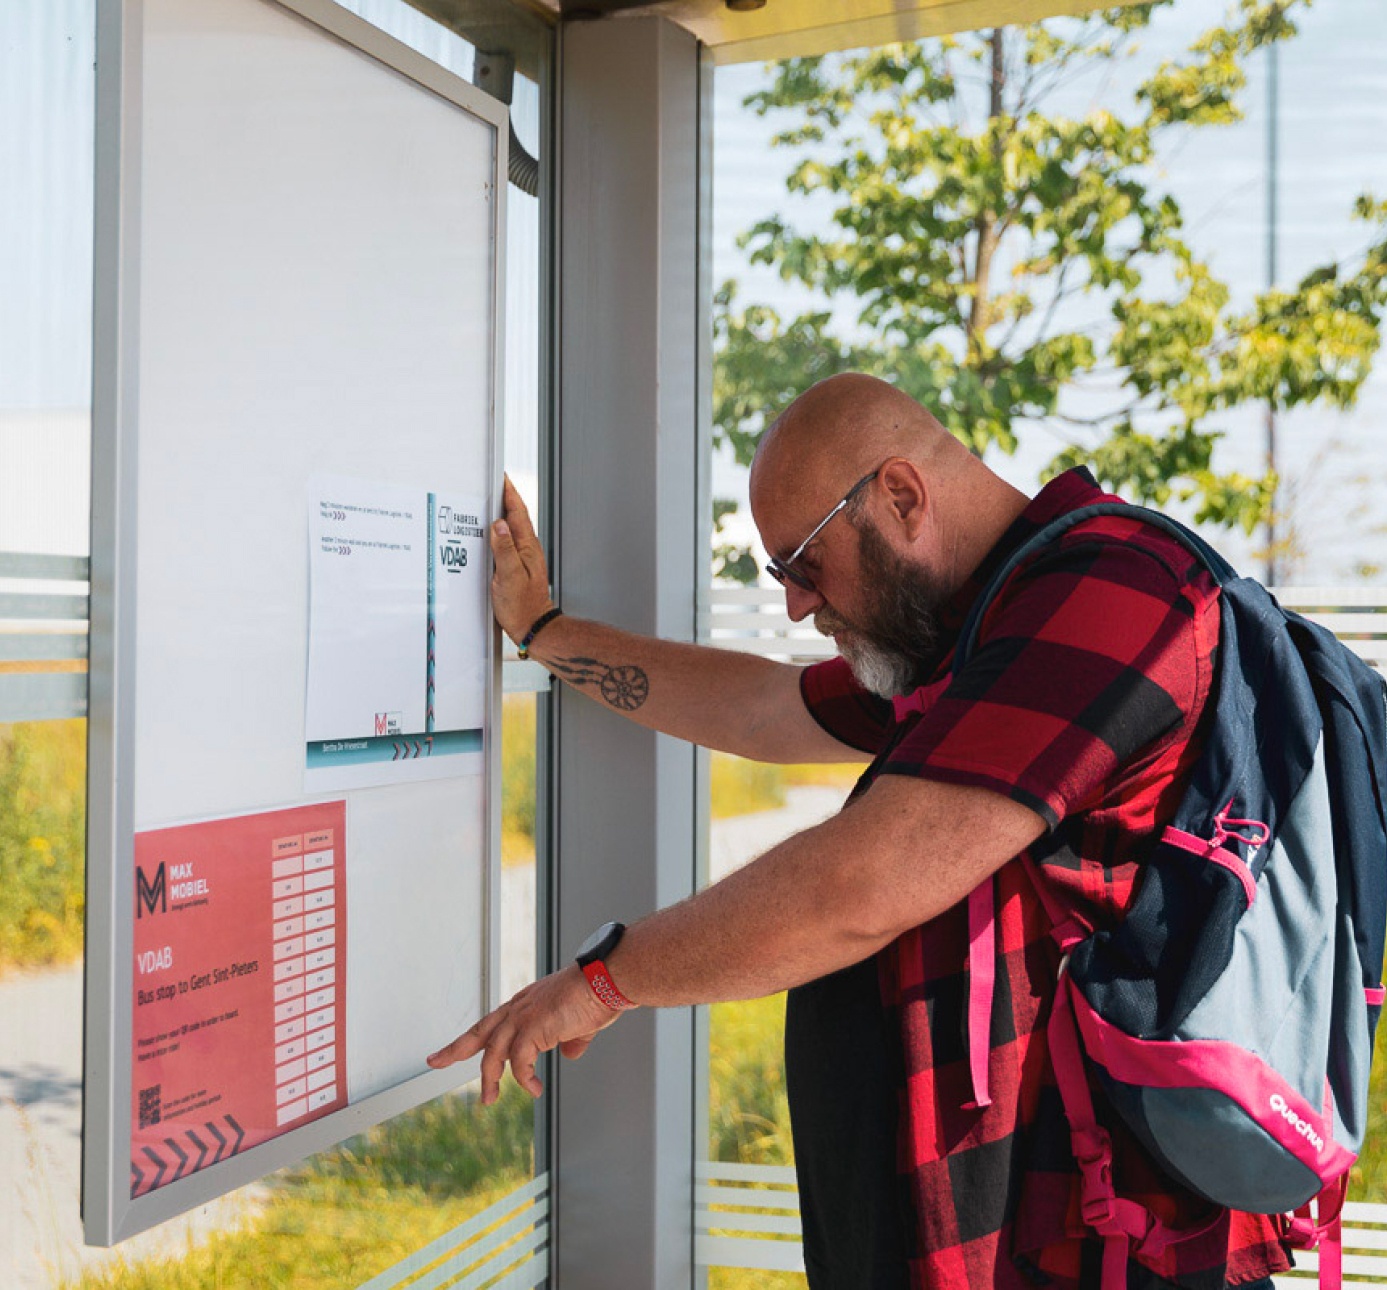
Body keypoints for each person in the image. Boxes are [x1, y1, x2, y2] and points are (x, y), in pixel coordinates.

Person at [426, 373, 1287, 1289]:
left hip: (1090, 1241)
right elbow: (764, 710)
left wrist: (602, 980)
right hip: (975, 1229)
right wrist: (545, 631)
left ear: (901, 496)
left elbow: (863, 886)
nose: (798, 604)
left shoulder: (1110, 595)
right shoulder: (974, 631)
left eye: (804, 564)